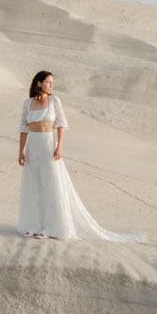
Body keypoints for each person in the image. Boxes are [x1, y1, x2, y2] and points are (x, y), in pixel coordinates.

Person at [16, 70, 140, 242]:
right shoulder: (27, 103)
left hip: (48, 145)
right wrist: (21, 151)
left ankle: (53, 228)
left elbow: (60, 125)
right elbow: (23, 129)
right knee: (34, 185)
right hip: (33, 147)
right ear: (39, 83)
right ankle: (34, 225)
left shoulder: (54, 101)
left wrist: (59, 147)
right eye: (48, 82)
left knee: (51, 185)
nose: (51, 85)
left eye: (52, 82)